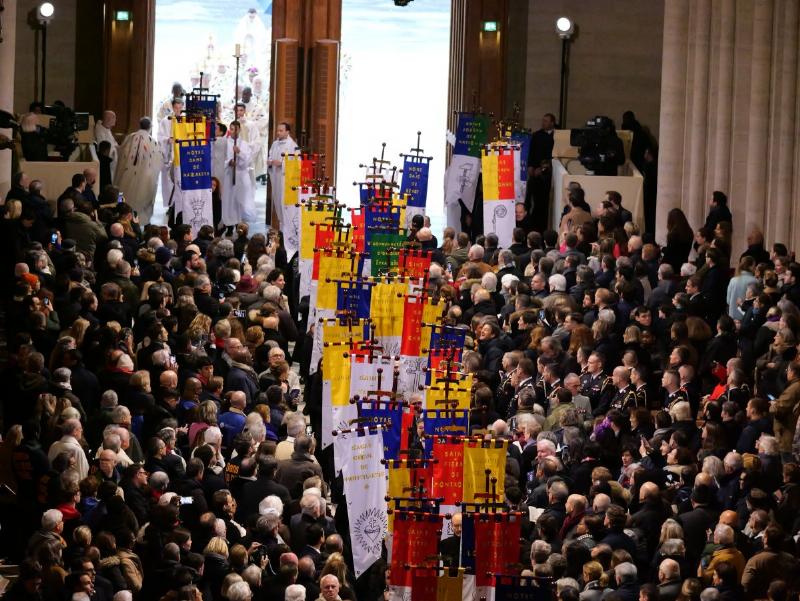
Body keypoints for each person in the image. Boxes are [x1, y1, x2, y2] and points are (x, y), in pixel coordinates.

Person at [114, 118, 161, 225]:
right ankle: (139, 221)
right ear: (150, 127)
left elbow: (121, 154)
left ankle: (121, 216)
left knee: (122, 194)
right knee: (142, 196)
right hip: (144, 177)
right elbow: (157, 161)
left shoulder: (130, 138)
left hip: (126, 175)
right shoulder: (152, 141)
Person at [221, 120, 256, 228]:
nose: (233, 132)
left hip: (241, 174)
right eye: (231, 129)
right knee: (229, 199)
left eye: (235, 129)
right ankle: (229, 225)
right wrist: (229, 162)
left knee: (240, 199)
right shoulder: (224, 142)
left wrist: (239, 153)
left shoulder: (244, 144)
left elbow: (248, 160)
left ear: (239, 130)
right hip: (229, 174)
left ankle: (239, 223)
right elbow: (220, 159)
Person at [526, 112, 556, 232]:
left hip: (548, 175)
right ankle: (533, 228)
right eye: (542, 121)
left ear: (552, 123)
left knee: (544, 203)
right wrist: (530, 167)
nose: (543, 123)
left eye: (546, 121)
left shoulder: (557, 136)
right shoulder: (536, 135)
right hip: (535, 174)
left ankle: (543, 229)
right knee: (534, 200)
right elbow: (531, 153)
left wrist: (544, 168)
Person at [267, 122, 297, 228]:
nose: (278, 133)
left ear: (287, 132)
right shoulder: (275, 143)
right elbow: (270, 155)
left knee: (284, 204)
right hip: (276, 177)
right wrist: (270, 162)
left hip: (285, 180)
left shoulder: (292, 145)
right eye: (277, 130)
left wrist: (281, 164)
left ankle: (286, 231)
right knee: (277, 202)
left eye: (281, 131)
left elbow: (296, 163)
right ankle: (281, 229)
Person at [95, 110, 119, 179]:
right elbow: (103, 148)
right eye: (114, 118)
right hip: (107, 161)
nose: (115, 120)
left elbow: (113, 142)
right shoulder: (100, 130)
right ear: (108, 119)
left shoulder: (106, 128)